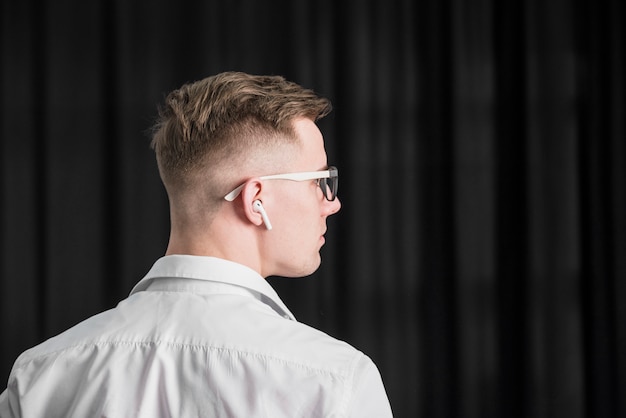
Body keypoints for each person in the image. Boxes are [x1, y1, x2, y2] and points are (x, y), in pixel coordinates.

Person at [0, 71, 392, 417]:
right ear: (256, 199)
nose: (332, 202)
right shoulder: (335, 382)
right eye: (319, 180)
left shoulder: (40, 376)